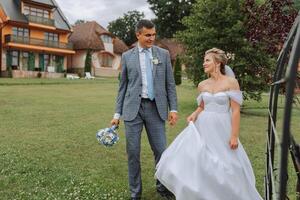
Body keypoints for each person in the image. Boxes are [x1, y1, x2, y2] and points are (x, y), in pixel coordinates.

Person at [155, 48, 263, 200]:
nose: (203, 63)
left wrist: (234, 135)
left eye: (207, 60)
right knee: (201, 161)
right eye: (204, 60)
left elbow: (236, 111)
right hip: (203, 126)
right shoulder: (202, 84)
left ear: (217, 63)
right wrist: (194, 113)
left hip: (222, 127)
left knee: (228, 164)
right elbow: (202, 106)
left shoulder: (231, 83)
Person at [111, 19, 178, 200]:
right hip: (133, 110)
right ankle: (135, 193)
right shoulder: (127, 56)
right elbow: (122, 87)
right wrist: (117, 114)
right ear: (138, 35)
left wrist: (174, 109)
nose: (151, 38)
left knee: (162, 152)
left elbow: (170, 85)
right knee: (133, 153)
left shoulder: (163, 54)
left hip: (156, 109)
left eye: (153, 34)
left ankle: (162, 187)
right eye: (148, 35)